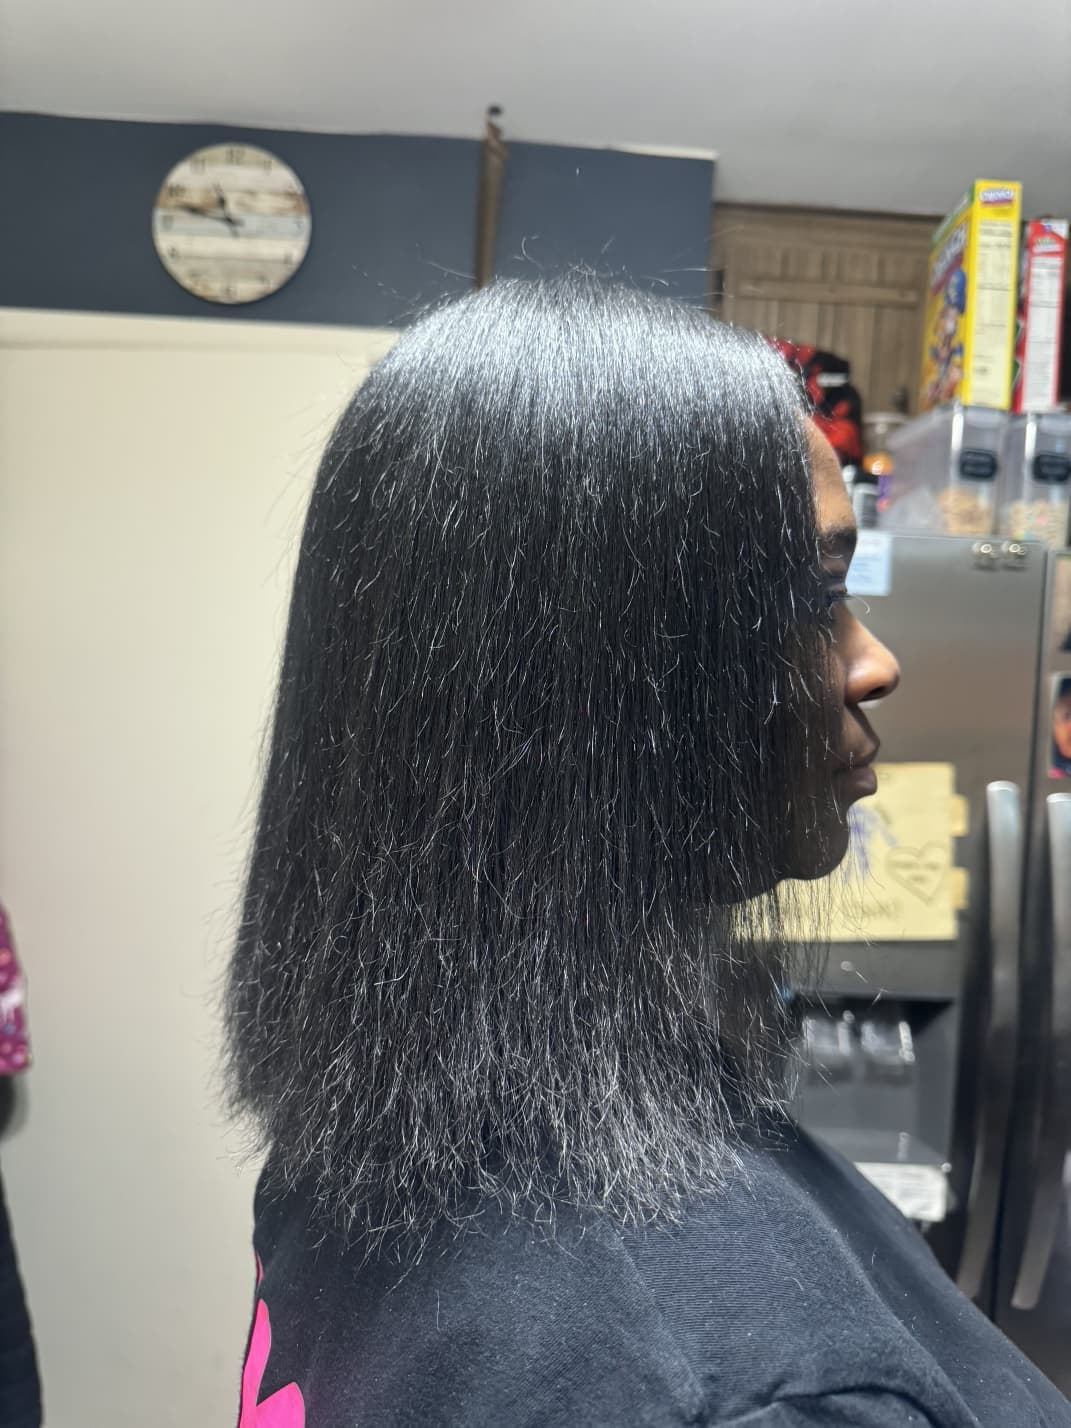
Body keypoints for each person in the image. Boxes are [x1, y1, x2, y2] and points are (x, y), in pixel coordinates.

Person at [225, 277, 1071, 1427]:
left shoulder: (367, 1136)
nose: (876, 664)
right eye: (813, 597)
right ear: (578, 694)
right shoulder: (732, 1387)